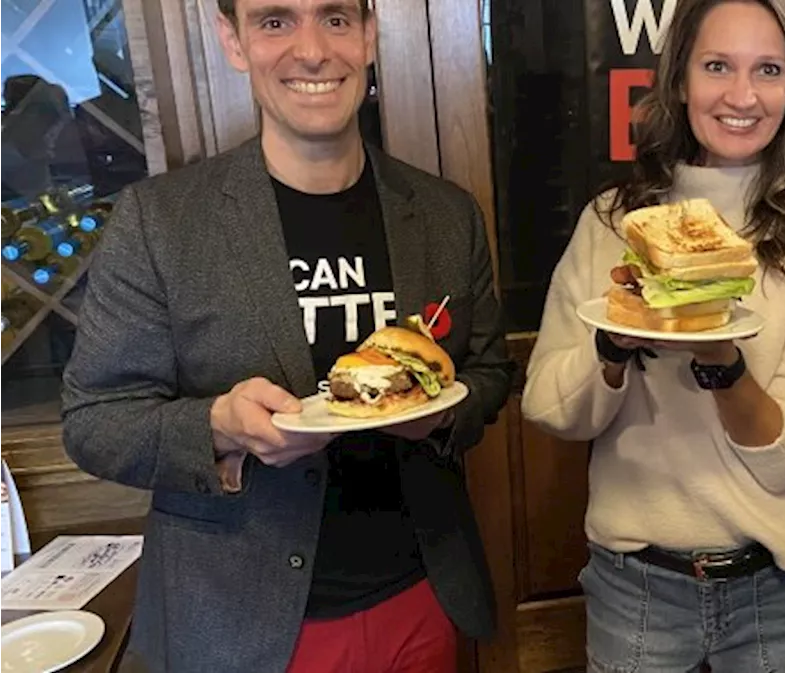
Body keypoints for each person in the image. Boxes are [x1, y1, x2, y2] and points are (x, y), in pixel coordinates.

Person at [60, 0, 513, 670]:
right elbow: (95, 421)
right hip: (237, 623)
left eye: (334, 18)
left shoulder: (447, 215)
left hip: (421, 599)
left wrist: (440, 417)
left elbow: (490, 370)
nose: (310, 51)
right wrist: (218, 424)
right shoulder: (160, 222)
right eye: (275, 20)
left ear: (367, 36)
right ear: (233, 40)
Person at [522, 0, 785, 670]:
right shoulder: (613, 225)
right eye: (717, 66)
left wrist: (721, 362)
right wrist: (615, 342)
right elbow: (550, 408)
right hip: (639, 585)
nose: (742, 95)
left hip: (783, 588)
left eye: (768, 69)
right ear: (680, 81)